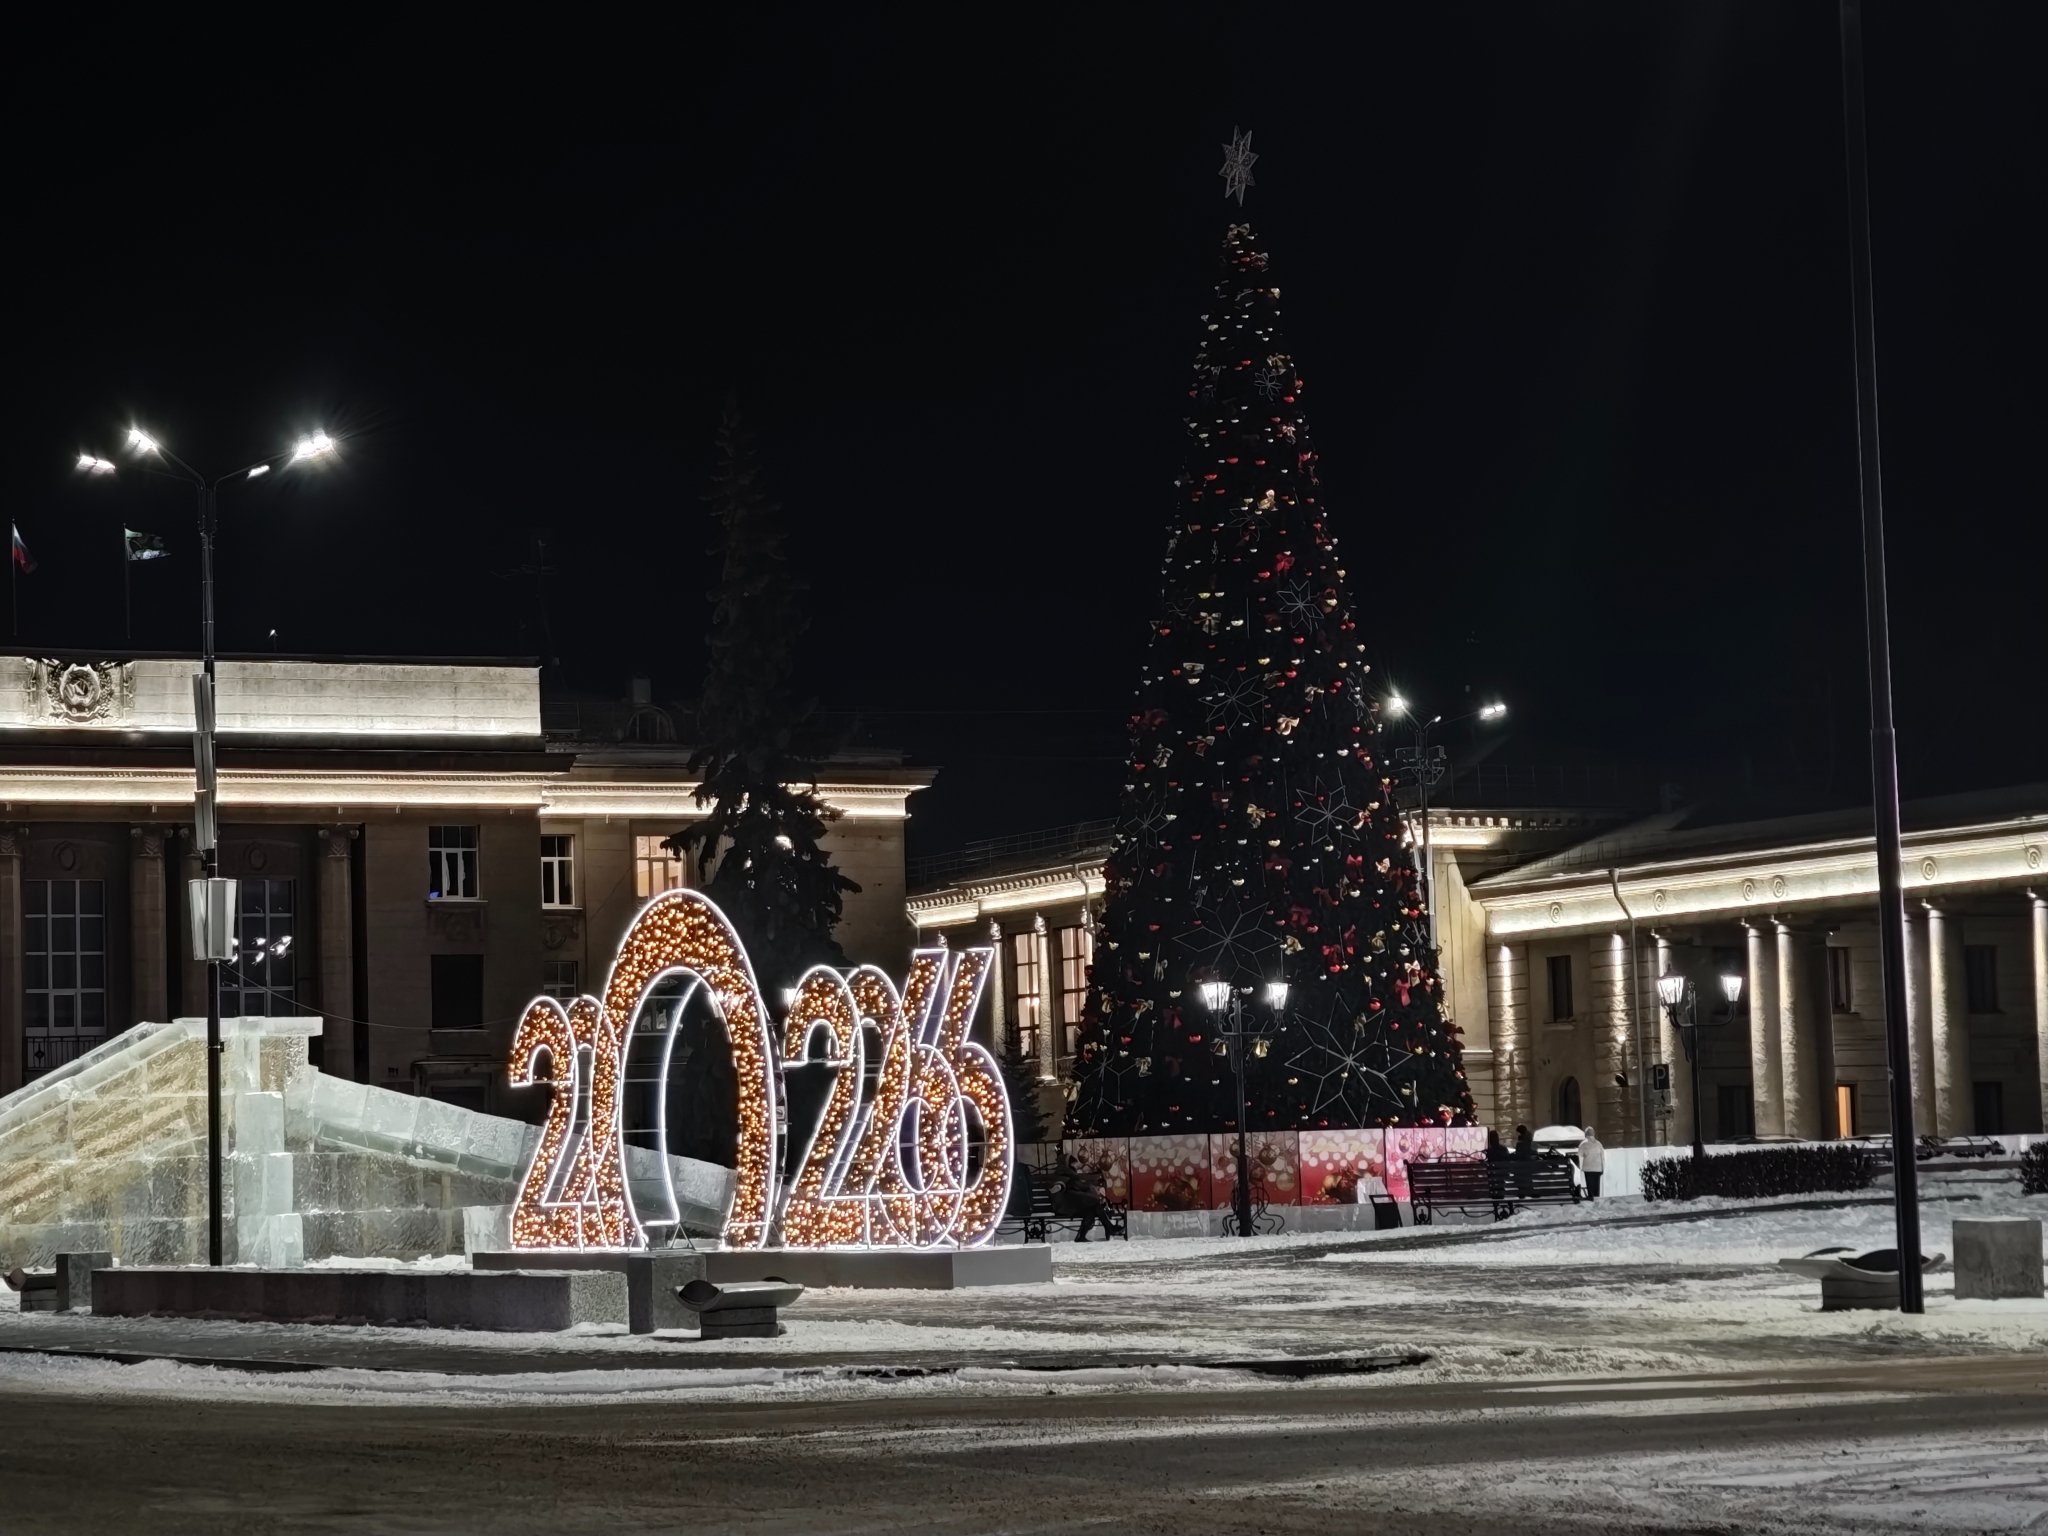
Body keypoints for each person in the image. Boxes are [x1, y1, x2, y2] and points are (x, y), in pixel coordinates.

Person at [1054, 1150, 1113, 1242]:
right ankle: (1110, 1228)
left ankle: (1081, 1237)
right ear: (1068, 1164)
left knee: (1091, 1209)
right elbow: (1064, 1186)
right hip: (1065, 1207)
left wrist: (1089, 1190)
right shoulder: (1063, 1174)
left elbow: (1079, 1187)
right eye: (1073, 1164)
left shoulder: (1070, 1174)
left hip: (1072, 1206)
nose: (1076, 1166)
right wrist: (1091, 1196)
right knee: (1094, 1204)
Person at [1578, 1126, 1606, 1199]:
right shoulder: (1599, 1144)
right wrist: (1602, 1169)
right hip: (1598, 1168)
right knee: (1596, 1187)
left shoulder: (1583, 1144)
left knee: (1590, 1187)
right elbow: (1602, 1157)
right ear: (1594, 1134)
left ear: (1585, 1134)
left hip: (1588, 1169)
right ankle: (1597, 1200)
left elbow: (1580, 1155)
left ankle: (1591, 1199)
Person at [1512, 1123, 1535, 1200]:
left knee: (1518, 1172)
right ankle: (1529, 1190)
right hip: (1528, 1165)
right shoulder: (1528, 1139)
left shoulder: (1521, 1142)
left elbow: (1518, 1154)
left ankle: (1522, 1191)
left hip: (1522, 1166)